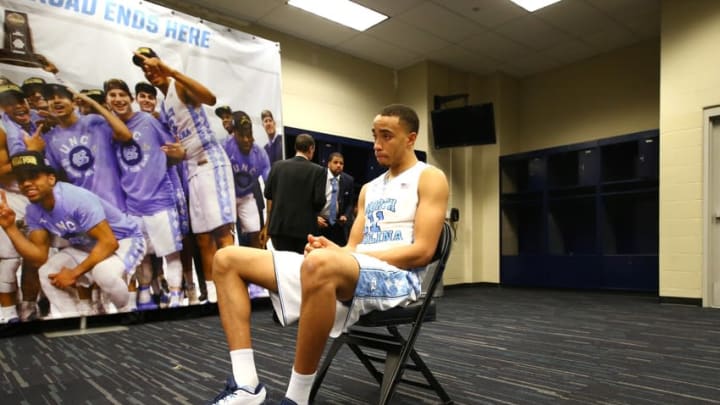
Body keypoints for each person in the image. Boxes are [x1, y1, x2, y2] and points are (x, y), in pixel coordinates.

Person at [209, 104, 449, 405]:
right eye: (375, 136)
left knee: (321, 264)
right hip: (357, 267)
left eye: (387, 136)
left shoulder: (430, 177)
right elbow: (353, 248)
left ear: (411, 139)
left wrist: (346, 259)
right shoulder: (369, 190)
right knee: (227, 259)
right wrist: (333, 249)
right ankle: (246, 386)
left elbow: (423, 252)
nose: (377, 144)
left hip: (401, 279)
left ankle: (297, 399)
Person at [133, 46, 236, 304]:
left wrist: (172, 72)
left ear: (162, 64)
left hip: (210, 161)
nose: (149, 71)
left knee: (223, 233)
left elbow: (211, 99)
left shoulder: (178, 86)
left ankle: (235, 289)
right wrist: (176, 154)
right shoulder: (163, 103)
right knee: (202, 238)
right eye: (144, 69)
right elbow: (177, 146)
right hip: (190, 167)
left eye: (152, 65)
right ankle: (214, 295)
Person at [0, 151, 146, 318]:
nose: (26, 183)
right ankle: (73, 318)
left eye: (33, 176)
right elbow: (39, 257)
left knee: (103, 273)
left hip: (125, 240)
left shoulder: (74, 199)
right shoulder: (33, 210)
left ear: (51, 179)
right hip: (87, 246)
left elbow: (109, 243)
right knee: (47, 272)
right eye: (21, 180)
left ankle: (126, 312)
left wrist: (74, 272)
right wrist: (10, 227)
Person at [104, 78, 185, 308]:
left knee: (171, 254)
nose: (118, 99)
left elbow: (176, 152)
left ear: (131, 98)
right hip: (132, 205)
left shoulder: (148, 121)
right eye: (112, 96)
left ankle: (177, 297)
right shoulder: (109, 130)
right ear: (107, 101)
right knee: (142, 256)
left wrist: (173, 157)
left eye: (122, 95)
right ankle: (144, 294)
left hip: (160, 201)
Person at [262, 133, 325, 254]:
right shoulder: (318, 171)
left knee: (281, 267)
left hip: (279, 229)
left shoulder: (277, 166)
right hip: (304, 232)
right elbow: (319, 202)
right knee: (299, 268)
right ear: (311, 148)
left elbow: (268, 193)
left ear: (295, 147)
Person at [317, 152, 354, 246]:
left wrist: (345, 215)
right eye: (335, 162)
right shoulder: (319, 175)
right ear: (329, 164)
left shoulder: (348, 180)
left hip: (337, 224)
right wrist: (314, 217)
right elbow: (309, 199)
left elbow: (350, 203)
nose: (339, 165)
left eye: (341, 163)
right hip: (320, 222)